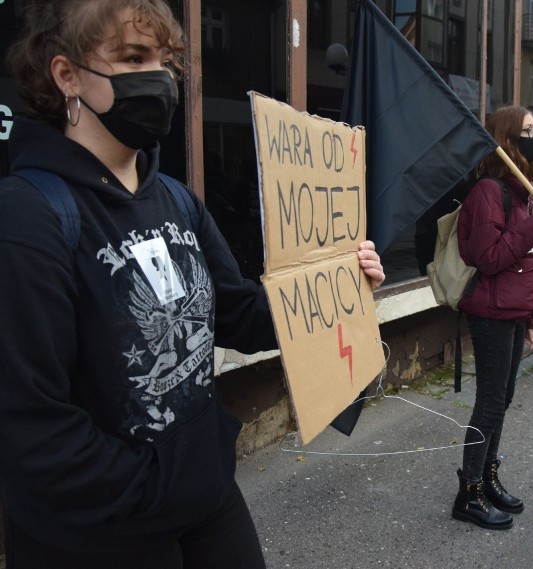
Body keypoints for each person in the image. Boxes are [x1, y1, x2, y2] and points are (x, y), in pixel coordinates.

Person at [0, 2, 386, 567]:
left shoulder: (177, 199)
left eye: (166, 60)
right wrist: (155, 487)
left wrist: (339, 289)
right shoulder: (28, 216)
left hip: (206, 503)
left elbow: (238, 315)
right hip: (101, 536)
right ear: (66, 75)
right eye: (133, 57)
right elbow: (29, 425)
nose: (159, 77)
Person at [453, 106, 533, 530]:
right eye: (528, 130)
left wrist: (532, 316)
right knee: (490, 402)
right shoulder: (488, 192)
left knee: (503, 401)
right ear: (508, 138)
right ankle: (469, 494)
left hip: (514, 314)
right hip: (491, 314)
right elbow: (489, 257)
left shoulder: (523, 190)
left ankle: (488, 479)